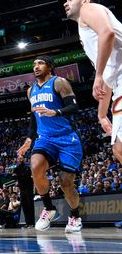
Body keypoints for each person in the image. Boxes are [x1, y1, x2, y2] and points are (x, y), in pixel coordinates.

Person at [16, 56, 83, 233]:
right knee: (35, 165)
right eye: (34, 65)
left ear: (50, 66)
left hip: (67, 138)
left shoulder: (59, 82)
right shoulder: (31, 91)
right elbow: (33, 118)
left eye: (40, 63)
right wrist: (28, 140)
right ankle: (49, 208)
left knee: (65, 182)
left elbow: (74, 107)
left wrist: (56, 111)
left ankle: (75, 216)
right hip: (45, 138)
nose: (36, 67)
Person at [64, 0, 122, 165]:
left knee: (120, 148)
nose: (66, 3)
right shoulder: (87, 31)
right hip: (119, 83)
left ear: (85, 0)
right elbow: (108, 77)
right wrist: (102, 114)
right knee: (118, 149)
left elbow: (107, 33)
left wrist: (97, 76)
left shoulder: (88, 9)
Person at [13, 154, 35, 227]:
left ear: (24, 159)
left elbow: (26, 176)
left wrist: (18, 176)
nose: (20, 159)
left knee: (30, 206)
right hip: (22, 189)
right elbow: (13, 176)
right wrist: (18, 176)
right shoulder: (17, 168)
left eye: (21, 158)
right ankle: (27, 222)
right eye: (19, 158)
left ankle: (32, 222)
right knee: (24, 206)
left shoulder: (27, 167)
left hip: (28, 189)